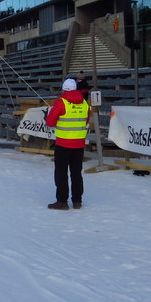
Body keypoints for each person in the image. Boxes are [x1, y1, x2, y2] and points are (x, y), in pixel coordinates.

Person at [45, 79, 90, 210]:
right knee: (76, 173)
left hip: (63, 143)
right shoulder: (84, 103)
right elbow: (86, 120)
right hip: (79, 143)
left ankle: (62, 201)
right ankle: (77, 201)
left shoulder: (61, 102)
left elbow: (50, 122)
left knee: (61, 173)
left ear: (64, 89)